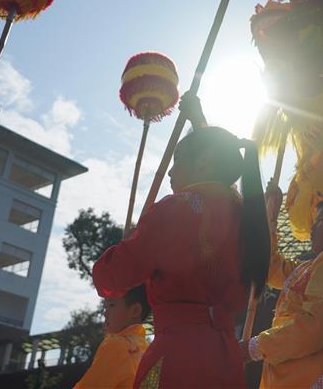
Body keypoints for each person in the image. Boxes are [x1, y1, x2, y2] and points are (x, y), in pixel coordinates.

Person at [92, 94, 270, 388]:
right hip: (225, 360)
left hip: (177, 356)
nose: (172, 171)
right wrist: (199, 121)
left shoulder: (174, 209)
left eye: (178, 161)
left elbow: (110, 278)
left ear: (204, 162)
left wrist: (122, 248)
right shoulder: (247, 215)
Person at [242, 182, 323, 388]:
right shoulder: (311, 266)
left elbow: (313, 326)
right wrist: (269, 216)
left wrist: (254, 347)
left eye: (320, 221)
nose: (313, 227)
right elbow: (270, 268)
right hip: (294, 370)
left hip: (318, 371)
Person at [73, 285, 151, 389]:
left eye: (111, 305)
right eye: (105, 307)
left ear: (135, 310)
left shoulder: (115, 346)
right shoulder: (146, 348)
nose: (105, 313)